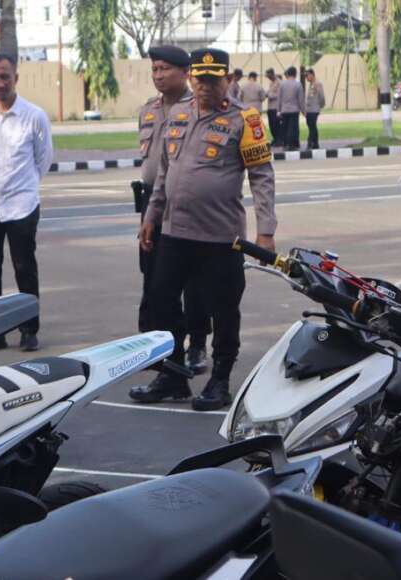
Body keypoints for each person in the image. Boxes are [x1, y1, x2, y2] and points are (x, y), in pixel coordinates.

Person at [130, 48, 277, 411]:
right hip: (174, 232)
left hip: (220, 237)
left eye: (213, 80)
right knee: (161, 301)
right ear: (192, 79)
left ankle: (220, 380)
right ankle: (173, 375)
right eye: (200, 80)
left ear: (228, 80)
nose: (205, 87)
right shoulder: (178, 114)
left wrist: (266, 231)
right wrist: (151, 216)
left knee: (224, 309)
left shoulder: (246, 119)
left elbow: (261, 177)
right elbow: (164, 173)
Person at [134, 45, 211, 374]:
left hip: (184, 204)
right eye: (155, 69)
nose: (159, 75)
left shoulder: (197, 108)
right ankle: (157, 345)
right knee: (152, 276)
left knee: (193, 280)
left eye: (165, 69)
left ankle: (197, 343)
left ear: (185, 73)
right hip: (151, 203)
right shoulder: (148, 110)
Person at [0, 53, 53, 352]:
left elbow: (43, 159)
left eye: (5, 76)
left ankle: (29, 330)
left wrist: (24, 187)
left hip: (21, 206)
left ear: (16, 77)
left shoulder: (35, 116)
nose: (0, 82)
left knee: (24, 269)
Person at [278, 66, 305, 150]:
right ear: (295, 74)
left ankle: (285, 144)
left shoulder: (282, 84)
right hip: (294, 110)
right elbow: (301, 99)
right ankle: (292, 144)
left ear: (288, 74)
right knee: (293, 128)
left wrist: (278, 110)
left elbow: (279, 98)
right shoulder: (298, 84)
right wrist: (303, 111)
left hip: (284, 110)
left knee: (285, 127)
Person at [304, 68, 326, 150]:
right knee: (311, 126)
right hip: (309, 110)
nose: (306, 77)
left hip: (314, 109)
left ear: (312, 75)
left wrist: (320, 106)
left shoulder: (317, 84)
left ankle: (310, 143)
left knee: (312, 126)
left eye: (307, 75)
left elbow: (322, 97)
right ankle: (315, 143)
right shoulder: (311, 84)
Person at [265, 68, 282, 146]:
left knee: (276, 125)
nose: (268, 78)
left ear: (272, 74)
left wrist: (269, 95)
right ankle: (275, 139)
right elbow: (269, 92)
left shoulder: (279, 83)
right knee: (271, 125)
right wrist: (265, 93)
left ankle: (279, 140)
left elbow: (279, 95)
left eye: (269, 76)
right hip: (270, 107)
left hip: (276, 107)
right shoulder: (271, 83)